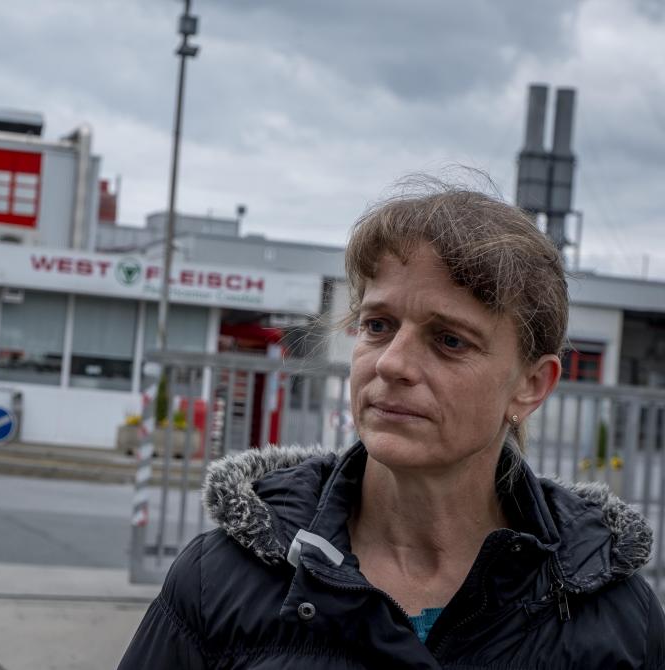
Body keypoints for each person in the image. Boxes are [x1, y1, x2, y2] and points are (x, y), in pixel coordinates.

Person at [118, 184, 665, 669]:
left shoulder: (614, 617)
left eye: (450, 340)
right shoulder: (220, 580)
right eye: (378, 326)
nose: (391, 363)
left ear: (531, 385)